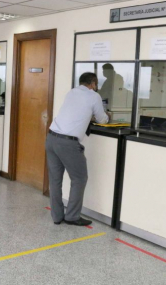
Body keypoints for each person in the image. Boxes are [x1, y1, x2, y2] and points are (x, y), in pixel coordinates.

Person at [46, 72, 109, 226]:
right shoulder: (94, 96)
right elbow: (102, 119)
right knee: (79, 178)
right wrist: (107, 116)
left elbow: (75, 112)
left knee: (55, 180)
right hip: (68, 143)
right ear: (93, 84)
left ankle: (57, 216)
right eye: (96, 84)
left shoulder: (72, 92)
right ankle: (72, 216)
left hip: (51, 137)